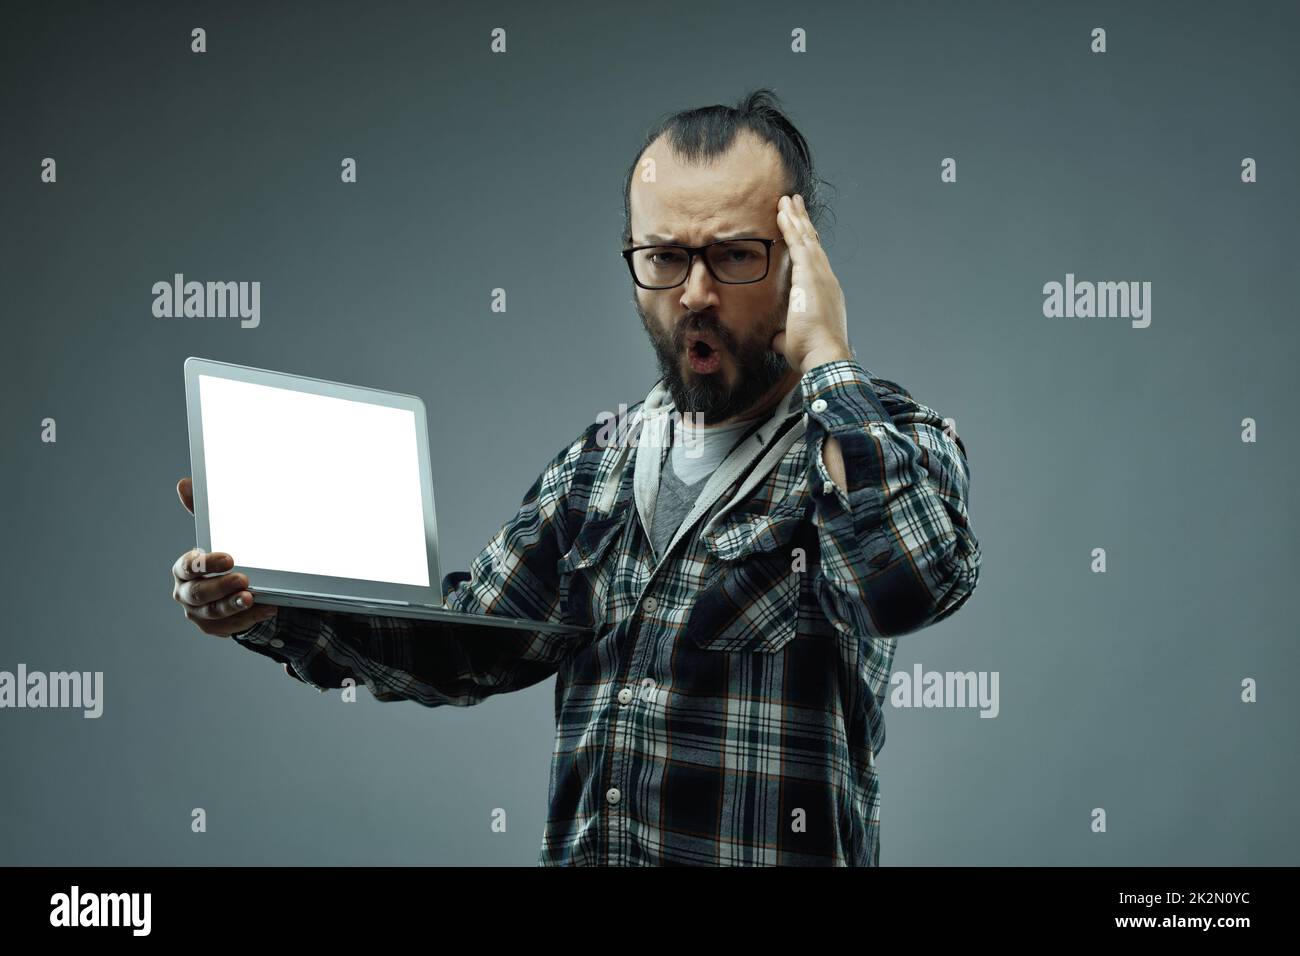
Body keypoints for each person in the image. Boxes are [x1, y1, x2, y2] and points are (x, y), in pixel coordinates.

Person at [169, 88, 981, 866]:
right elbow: (463, 646)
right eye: (664, 257)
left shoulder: (881, 439)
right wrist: (271, 598)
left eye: (735, 255)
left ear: (802, 263)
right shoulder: (599, 465)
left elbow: (904, 584)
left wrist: (828, 362)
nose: (694, 295)